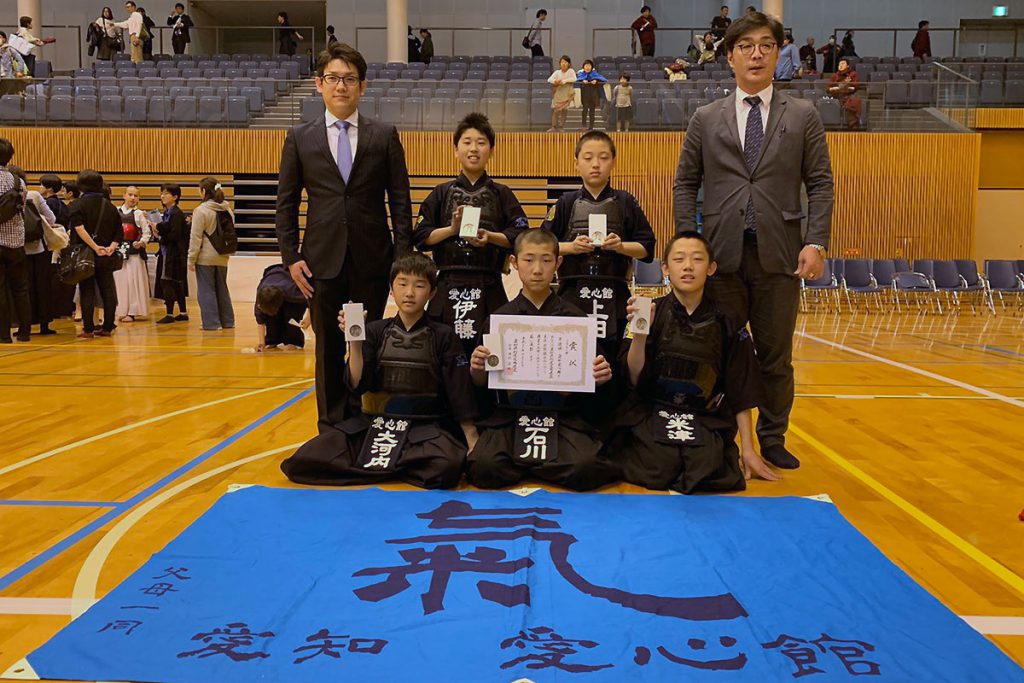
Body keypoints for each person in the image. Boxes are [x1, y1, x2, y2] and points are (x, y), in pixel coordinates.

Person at [672, 11, 834, 470]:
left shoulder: (803, 115)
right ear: (729, 57)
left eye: (767, 44)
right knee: (717, 351)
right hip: (720, 257)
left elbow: (820, 184)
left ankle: (773, 436)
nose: (757, 53)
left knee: (775, 357)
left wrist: (816, 242)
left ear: (778, 52)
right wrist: (690, 242)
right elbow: (685, 183)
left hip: (780, 254)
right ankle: (721, 436)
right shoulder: (705, 118)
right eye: (746, 46)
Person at [276, 42, 413, 430]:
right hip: (321, 263)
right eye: (333, 78)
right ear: (319, 84)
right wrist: (290, 256)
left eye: (349, 79)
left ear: (362, 87)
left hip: (373, 260)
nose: (341, 86)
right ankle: (331, 428)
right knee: (329, 347)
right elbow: (285, 204)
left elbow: (400, 202)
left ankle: (366, 420)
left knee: (364, 342)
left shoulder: (384, 135)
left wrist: (401, 260)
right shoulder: (300, 138)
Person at [281, 253, 478, 489]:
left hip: (424, 426)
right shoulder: (375, 331)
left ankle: (378, 468)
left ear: (432, 293)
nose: (409, 293)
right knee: (308, 457)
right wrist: (355, 343)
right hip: (375, 423)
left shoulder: (444, 335)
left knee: (447, 466)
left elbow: (459, 390)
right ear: (391, 289)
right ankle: (401, 468)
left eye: (419, 285)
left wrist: (471, 437)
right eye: (402, 284)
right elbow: (356, 384)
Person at [608, 232, 779, 493]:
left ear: (711, 268)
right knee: (657, 467)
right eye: (679, 259)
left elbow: (741, 388)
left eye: (697, 259)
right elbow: (632, 377)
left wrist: (748, 449)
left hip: (704, 416)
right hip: (654, 412)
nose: (688, 266)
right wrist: (640, 335)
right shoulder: (647, 311)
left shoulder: (729, 320)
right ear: (665, 268)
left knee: (710, 470)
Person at [466, 228, 620, 491]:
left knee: (587, 467)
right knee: (483, 467)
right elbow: (481, 383)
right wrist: (476, 368)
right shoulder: (499, 319)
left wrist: (602, 376)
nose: (537, 269)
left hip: (562, 416)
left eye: (546, 260)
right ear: (514, 263)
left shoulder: (576, 320)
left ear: (558, 264)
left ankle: (527, 466)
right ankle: (547, 467)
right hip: (512, 415)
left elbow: (595, 385)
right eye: (528, 260)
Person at [413, 112, 529, 358]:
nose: (473, 148)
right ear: (456, 149)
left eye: (481, 142)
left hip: (489, 286)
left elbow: (521, 236)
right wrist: (452, 230)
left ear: (491, 150)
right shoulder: (441, 193)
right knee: (443, 356)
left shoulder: (502, 194)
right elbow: (421, 237)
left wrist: (490, 236)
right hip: (447, 286)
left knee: (491, 356)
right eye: (466, 142)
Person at [542, 130, 655, 365]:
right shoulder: (565, 203)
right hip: (572, 292)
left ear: (613, 162)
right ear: (576, 164)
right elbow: (542, 246)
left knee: (615, 362)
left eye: (603, 158)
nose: (596, 164)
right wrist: (571, 247)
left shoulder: (625, 202)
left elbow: (647, 248)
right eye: (588, 158)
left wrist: (621, 246)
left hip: (616, 295)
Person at [68, 169, 122, 339]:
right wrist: (111, 247)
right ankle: (107, 326)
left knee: (87, 290)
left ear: (80, 186)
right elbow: (118, 232)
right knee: (108, 289)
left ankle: (88, 328)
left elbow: (79, 228)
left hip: (85, 254)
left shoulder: (76, 205)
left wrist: (94, 246)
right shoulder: (110, 206)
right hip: (106, 254)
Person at [9, 166, 57, 336]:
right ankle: (44, 325)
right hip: (38, 249)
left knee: (21, 289)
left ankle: (23, 326)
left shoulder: (6, 196)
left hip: (16, 247)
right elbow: (51, 218)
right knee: (42, 288)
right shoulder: (34, 195)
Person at [187, 177, 234, 331]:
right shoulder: (227, 208)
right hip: (223, 254)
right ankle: (227, 321)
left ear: (204, 191)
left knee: (206, 289)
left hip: (205, 256)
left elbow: (196, 237)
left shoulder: (201, 210)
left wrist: (191, 259)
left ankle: (212, 323)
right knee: (222, 288)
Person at [0, 141, 31, 344]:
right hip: (16, 241)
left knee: (1, 288)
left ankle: (3, 334)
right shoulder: (19, 182)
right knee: (20, 288)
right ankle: (24, 332)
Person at [113, 185, 151, 322]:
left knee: (133, 282)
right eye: (130, 194)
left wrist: (141, 242)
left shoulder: (139, 214)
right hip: (119, 251)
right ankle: (120, 310)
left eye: (136, 195)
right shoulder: (115, 211)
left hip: (134, 252)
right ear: (124, 195)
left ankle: (132, 311)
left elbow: (147, 232)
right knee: (120, 281)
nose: (133, 198)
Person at [153, 182, 188, 324]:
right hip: (168, 252)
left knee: (167, 281)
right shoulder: (167, 213)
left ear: (175, 196)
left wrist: (159, 230)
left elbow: (175, 235)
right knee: (175, 282)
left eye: (166, 193)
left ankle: (169, 313)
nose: (162, 196)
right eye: (162, 193)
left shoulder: (176, 214)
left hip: (173, 254)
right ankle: (182, 312)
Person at [253, 263, 307, 351]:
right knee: (270, 315)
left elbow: (312, 301)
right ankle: (272, 340)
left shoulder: (295, 292)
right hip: (273, 273)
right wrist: (262, 342)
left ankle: (294, 341)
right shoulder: (261, 295)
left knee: (291, 315)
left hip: (292, 279)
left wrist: (308, 320)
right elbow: (260, 319)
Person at [828, 58, 862, 130]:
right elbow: (829, 88)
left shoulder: (853, 74)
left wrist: (839, 87)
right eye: (839, 64)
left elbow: (854, 87)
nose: (840, 65)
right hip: (836, 97)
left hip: (848, 96)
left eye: (843, 64)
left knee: (854, 101)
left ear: (847, 66)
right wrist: (844, 86)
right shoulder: (834, 75)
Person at [547, 55, 576, 132]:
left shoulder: (571, 71)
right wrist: (555, 81)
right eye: (562, 62)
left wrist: (564, 81)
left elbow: (574, 79)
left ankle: (561, 127)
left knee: (564, 111)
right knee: (556, 111)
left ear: (568, 64)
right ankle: (553, 127)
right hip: (558, 93)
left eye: (565, 62)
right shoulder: (557, 72)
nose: (564, 64)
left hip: (567, 93)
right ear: (560, 63)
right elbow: (549, 79)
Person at [575, 59, 607, 131]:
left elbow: (603, 80)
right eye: (586, 65)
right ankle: (584, 126)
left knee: (592, 111)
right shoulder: (581, 74)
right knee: (585, 109)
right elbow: (576, 81)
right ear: (583, 67)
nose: (587, 67)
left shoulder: (595, 74)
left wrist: (596, 80)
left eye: (589, 65)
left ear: (592, 67)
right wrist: (582, 81)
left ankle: (591, 127)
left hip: (593, 95)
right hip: (585, 94)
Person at [114, 1, 145, 65]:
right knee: (134, 55)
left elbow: (140, 25)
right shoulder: (132, 17)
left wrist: (137, 36)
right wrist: (114, 24)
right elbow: (126, 24)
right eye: (126, 7)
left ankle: (138, 70)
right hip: (133, 36)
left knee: (137, 56)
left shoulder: (137, 15)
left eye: (128, 7)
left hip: (135, 36)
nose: (127, 9)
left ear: (133, 7)